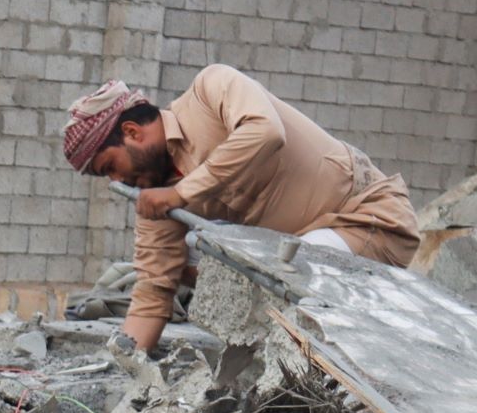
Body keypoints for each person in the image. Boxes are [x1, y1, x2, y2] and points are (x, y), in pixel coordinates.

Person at [63, 65, 419, 351]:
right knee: (195, 261)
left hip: (369, 219)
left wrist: (182, 192)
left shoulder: (210, 89)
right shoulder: (158, 196)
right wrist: (128, 361)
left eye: (110, 167)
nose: (118, 180)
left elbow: (266, 132)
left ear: (132, 132)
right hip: (299, 256)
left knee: (290, 282)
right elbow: (153, 294)